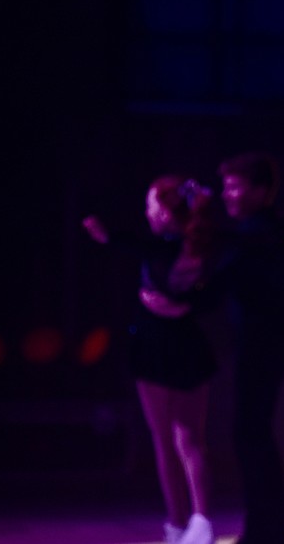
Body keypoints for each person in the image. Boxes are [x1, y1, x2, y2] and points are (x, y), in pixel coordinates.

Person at [82, 174, 220, 544]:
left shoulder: (163, 249)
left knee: (166, 440)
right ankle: (201, 518)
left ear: (162, 212)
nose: (146, 212)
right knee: (191, 440)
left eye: (150, 205)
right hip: (189, 344)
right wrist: (191, 302)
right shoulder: (202, 247)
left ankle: (178, 525)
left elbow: (140, 249)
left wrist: (107, 237)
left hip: (156, 344)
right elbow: (215, 291)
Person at [211, 151, 284, 544]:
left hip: (264, 344)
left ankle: (267, 529)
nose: (226, 194)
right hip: (262, 343)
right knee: (252, 433)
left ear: (260, 191)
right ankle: (267, 527)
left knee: (251, 434)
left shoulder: (260, 232)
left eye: (234, 186)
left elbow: (226, 274)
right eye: (225, 186)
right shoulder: (258, 231)